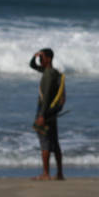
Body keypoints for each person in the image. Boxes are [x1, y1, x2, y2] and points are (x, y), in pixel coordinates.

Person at [29, 48, 66, 180]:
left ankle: (45, 174)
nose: (40, 60)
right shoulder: (53, 73)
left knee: (44, 141)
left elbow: (46, 97)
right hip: (52, 112)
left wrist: (42, 116)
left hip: (45, 112)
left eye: (42, 58)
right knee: (54, 142)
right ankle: (60, 173)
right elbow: (32, 65)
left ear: (49, 59)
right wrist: (35, 56)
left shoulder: (48, 75)